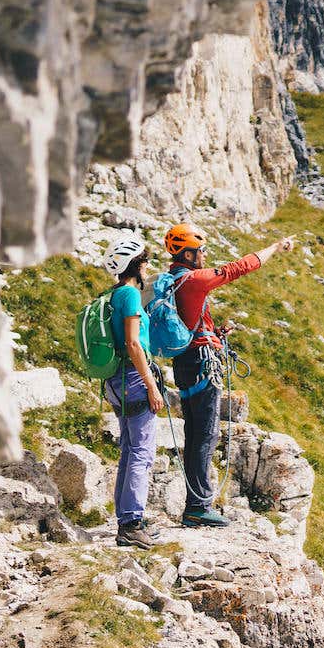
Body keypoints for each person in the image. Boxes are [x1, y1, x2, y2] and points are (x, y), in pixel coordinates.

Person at [163, 224, 296, 527]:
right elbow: (239, 268)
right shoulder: (194, 280)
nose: (205, 255)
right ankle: (198, 506)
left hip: (184, 361)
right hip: (199, 363)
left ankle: (195, 504)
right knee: (205, 435)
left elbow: (188, 323)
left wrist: (216, 333)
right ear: (188, 253)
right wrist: (275, 247)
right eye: (201, 250)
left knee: (195, 433)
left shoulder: (172, 280)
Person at [102, 236, 165, 550]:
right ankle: (130, 524)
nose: (147, 267)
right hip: (134, 380)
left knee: (129, 450)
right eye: (145, 262)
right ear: (134, 265)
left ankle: (128, 519)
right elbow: (132, 343)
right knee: (141, 452)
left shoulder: (113, 294)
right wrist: (152, 386)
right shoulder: (129, 294)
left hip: (115, 381)